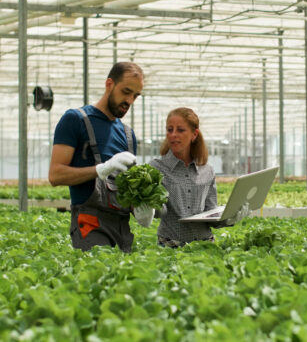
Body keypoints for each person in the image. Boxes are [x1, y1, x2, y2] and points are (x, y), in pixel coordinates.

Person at [49, 61, 153, 253]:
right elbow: (56, 175)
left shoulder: (128, 135)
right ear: (109, 84)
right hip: (90, 224)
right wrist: (101, 169)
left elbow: (124, 188)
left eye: (135, 96)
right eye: (126, 91)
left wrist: (140, 207)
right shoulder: (76, 120)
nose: (129, 100)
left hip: (122, 228)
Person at [150, 107, 247, 248]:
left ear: (194, 134)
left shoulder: (207, 170)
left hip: (205, 245)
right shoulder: (156, 168)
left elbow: (210, 213)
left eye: (180, 130)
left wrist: (230, 218)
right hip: (170, 244)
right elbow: (156, 212)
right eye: (170, 130)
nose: (173, 135)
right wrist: (146, 207)